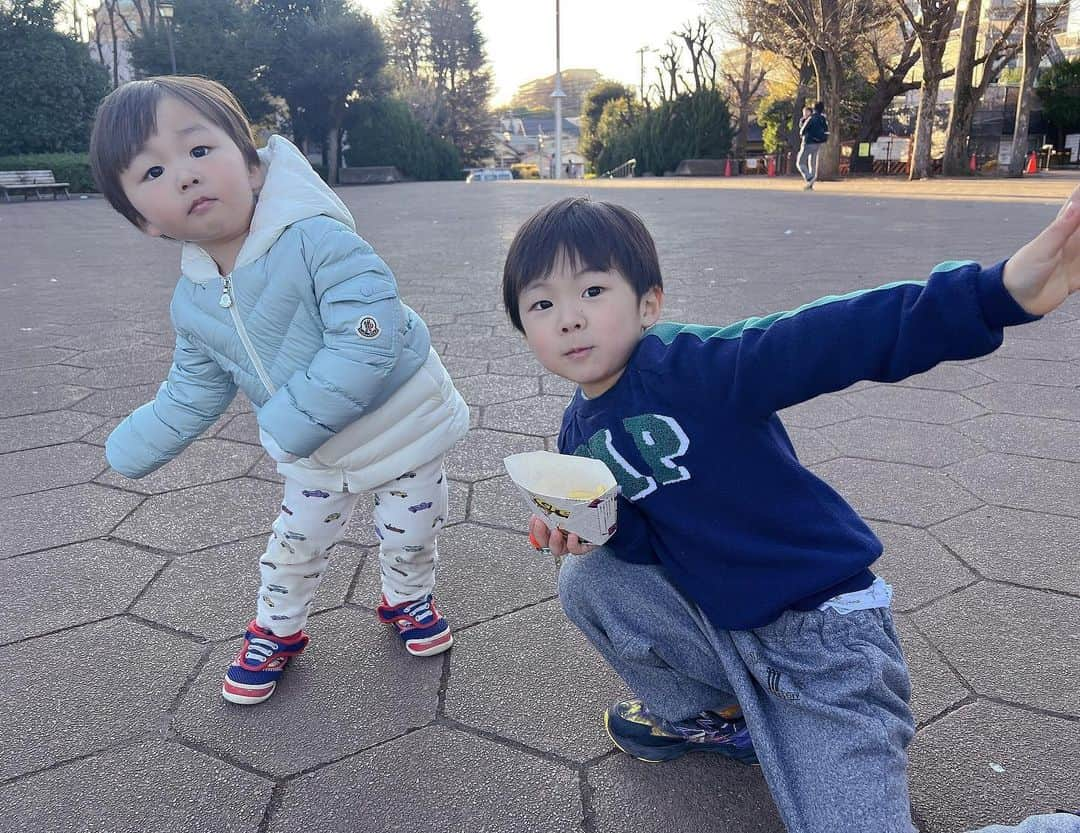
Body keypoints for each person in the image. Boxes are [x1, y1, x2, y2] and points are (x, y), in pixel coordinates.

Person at [500, 195, 1080, 833]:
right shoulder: (576, 432)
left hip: (823, 642)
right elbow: (647, 541)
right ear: (524, 328)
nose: (570, 320)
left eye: (593, 290)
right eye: (543, 304)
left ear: (648, 303)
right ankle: (725, 720)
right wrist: (592, 529)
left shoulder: (695, 367)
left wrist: (993, 294)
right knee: (589, 580)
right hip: (733, 626)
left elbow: (825, 338)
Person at [88, 76, 470, 706]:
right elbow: (193, 387)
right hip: (315, 455)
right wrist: (134, 443)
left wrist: (293, 420)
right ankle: (277, 630)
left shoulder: (320, 239)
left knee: (410, 532)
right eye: (152, 172)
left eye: (199, 150)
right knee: (294, 545)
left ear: (254, 165)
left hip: (401, 429)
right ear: (143, 221)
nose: (184, 175)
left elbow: (367, 337)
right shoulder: (194, 300)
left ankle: (407, 599)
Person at [797, 101, 828, 190]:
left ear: (814, 109)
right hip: (818, 143)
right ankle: (810, 185)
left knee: (800, 163)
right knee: (812, 164)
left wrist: (802, 132)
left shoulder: (811, 118)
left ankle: (809, 177)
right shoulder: (823, 119)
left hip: (808, 143)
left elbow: (802, 131)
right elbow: (826, 130)